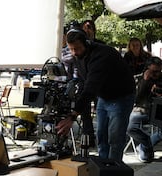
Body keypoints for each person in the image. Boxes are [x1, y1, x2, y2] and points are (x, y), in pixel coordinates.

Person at [56, 29, 135, 161]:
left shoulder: (101, 56)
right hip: (104, 96)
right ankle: (103, 167)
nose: (74, 52)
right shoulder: (79, 56)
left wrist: (72, 116)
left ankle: (113, 170)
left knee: (115, 137)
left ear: (86, 43)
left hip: (121, 96)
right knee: (101, 135)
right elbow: (84, 82)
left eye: (77, 48)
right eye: (71, 49)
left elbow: (90, 88)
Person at [127, 56, 162, 163]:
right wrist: (145, 81)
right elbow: (136, 99)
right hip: (142, 109)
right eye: (153, 71)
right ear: (147, 69)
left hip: (159, 109)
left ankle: (145, 147)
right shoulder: (139, 79)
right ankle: (147, 144)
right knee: (130, 128)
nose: (156, 74)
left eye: (158, 71)